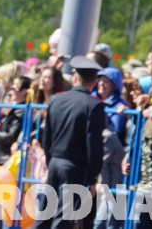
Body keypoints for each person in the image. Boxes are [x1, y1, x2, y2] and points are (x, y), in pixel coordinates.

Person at [35, 55, 106, 229]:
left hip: (55, 162)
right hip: (75, 167)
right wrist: (93, 176)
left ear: (75, 78)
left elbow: (47, 136)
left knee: (45, 215)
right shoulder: (94, 105)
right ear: (94, 82)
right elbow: (94, 145)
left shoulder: (56, 100)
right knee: (63, 218)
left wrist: (51, 160)